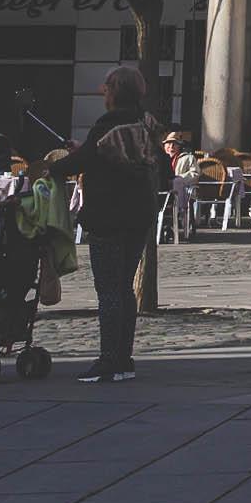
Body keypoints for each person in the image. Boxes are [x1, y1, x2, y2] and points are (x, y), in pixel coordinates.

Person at [49, 63, 163, 383]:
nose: (103, 92)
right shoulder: (145, 123)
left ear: (114, 92)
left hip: (109, 215)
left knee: (109, 290)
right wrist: (87, 151)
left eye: (107, 87)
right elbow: (105, 155)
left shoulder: (108, 124)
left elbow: (85, 160)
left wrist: (54, 169)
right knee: (124, 287)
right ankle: (124, 358)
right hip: (139, 214)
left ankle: (108, 359)